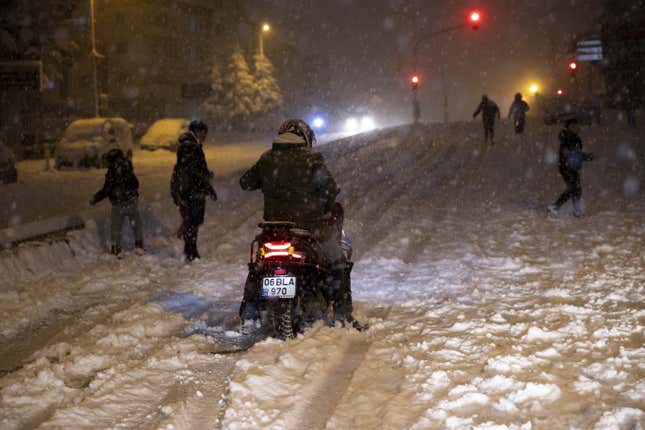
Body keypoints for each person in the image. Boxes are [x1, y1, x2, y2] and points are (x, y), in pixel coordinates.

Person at [238, 119, 361, 329]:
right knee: (337, 263)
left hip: (274, 229)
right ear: (304, 137)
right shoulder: (312, 159)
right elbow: (330, 189)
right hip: (309, 229)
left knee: (258, 266)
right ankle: (343, 314)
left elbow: (246, 182)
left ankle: (250, 309)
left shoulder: (267, 158)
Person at [170, 120, 217, 262]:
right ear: (198, 131)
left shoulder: (188, 145)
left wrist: (206, 175)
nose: (205, 137)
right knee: (194, 220)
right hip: (192, 190)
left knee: (193, 220)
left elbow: (193, 169)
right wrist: (208, 187)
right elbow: (194, 171)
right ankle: (190, 251)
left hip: (189, 189)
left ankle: (190, 249)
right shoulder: (191, 147)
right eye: (204, 133)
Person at [90, 148, 143, 255]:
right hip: (131, 201)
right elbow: (136, 185)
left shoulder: (112, 172)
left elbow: (106, 189)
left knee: (116, 226)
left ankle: (116, 248)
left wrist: (95, 198)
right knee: (136, 224)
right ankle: (139, 244)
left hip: (118, 203)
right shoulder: (127, 168)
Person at [548, 118, 594, 218]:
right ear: (568, 127)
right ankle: (556, 206)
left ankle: (576, 210)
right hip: (567, 167)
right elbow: (572, 154)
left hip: (573, 167)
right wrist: (585, 157)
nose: (576, 128)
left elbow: (576, 154)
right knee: (573, 188)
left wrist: (584, 157)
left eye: (576, 126)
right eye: (573, 126)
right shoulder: (568, 138)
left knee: (576, 189)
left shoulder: (574, 137)